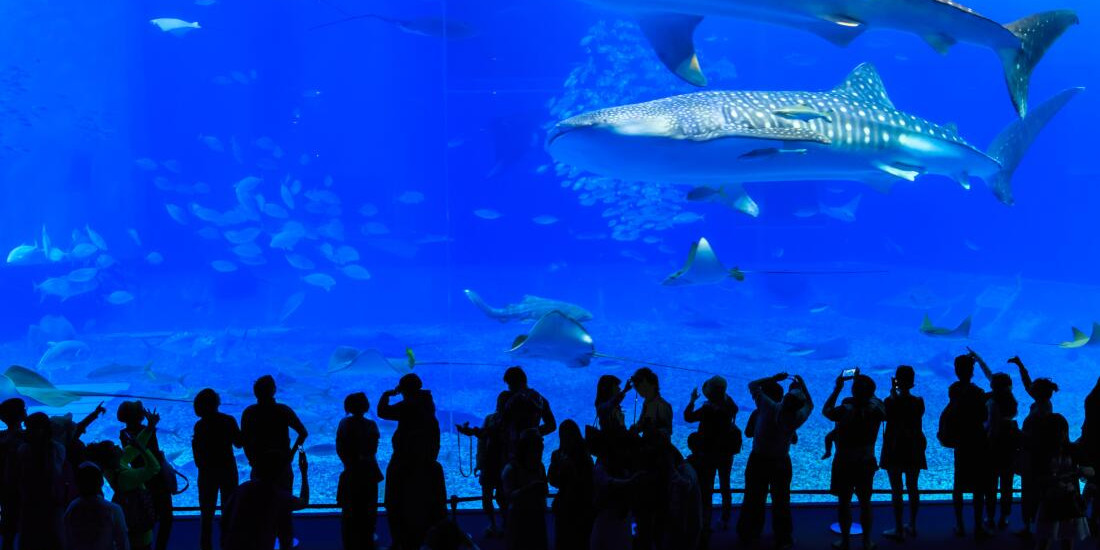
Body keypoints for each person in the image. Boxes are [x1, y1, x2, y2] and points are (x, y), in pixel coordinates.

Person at [737, 372, 813, 550]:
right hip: (781, 462)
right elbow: (811, 404)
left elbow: (753, 384)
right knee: (781, 500)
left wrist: (774, 378)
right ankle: (783, 538)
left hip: (759, 460)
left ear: (784, 399)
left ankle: (749, 534)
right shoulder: (796, 419)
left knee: (753, 498)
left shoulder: (768, 407)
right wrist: (803, 386)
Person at [377, 374, 445, 550]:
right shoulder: (427, 405)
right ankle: (421, 539)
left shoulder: (409, 405)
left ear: (403, 389)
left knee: (396, 502)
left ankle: (400, 541)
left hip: (404, 463)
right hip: (426, 463)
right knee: (421, 503)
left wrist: (387, 394)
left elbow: (382, 412)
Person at [824, 373, 886, 550]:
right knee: (865, 503)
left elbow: (826, 410)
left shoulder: (844, 409)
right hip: (866, 462)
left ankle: (845, 540)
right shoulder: (877, 410)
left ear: (853, 391)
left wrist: (838, 388)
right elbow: (874, 398)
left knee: (844, 503)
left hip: (844, 462)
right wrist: (865, 386)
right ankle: (867, 541)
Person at [87, 409, 162, 550]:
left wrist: (150, 427)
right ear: (111, 456)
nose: (118, 446)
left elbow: (133, 448)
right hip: (140, 535)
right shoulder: (125, 477)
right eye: (114, 447)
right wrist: (143, 450)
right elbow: (154, 468)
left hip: (134, 528)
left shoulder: (114, 466)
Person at [939, 353, 991, 539]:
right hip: (977, 442)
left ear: (956, 370)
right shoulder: (978, 393)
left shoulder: (953, 389)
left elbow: (952, 410)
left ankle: (960, 525)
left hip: (961, 442)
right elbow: (984, 417)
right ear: (972, 370)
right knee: (979, 487)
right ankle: (978, 526)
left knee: (959, 485)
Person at [968, 347, 1021, 531]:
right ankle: (1004, 517)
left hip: (993, 447)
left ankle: (990, 517)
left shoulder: (991, 401)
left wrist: (983, 436)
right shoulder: (1010, 399)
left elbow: (991, 427)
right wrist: (979, 358)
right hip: (1009, 449)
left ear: (993, 386)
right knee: (1007, 484)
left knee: (990, 485)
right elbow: (991, 375)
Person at [220, 450, 310, 550]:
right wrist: (304, 472)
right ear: (277, 473)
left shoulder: (240, 490)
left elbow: (225, 519)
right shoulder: (276, 494)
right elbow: (304, 502)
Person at [683, 375, 739, 531]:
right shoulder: (729, 404)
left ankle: (705, 520)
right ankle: (725, 518)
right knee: (725, 485)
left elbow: (688, 417)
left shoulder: (708, 409)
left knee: (706, 487)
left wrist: (692, 400)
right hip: (726, 453)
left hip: (708, 453)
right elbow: (734, 408)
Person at [117, 401, 173, 550]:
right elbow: (151, 450)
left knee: (156, 518)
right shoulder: (137, 432)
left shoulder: (125, 433)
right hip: (152, 478)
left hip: (144, 479)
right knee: (161, 518)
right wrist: (151, 426)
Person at [880, 365, 927, 541]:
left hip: (894, 448)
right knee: (913, 487)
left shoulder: (889, 401)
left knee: (897, 489)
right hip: (914, 447)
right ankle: (912, 525)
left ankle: (899, 528)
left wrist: (893, 392)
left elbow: (890, 414)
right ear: (912, 381)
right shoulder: (919, 402)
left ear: (897, 380)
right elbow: (910, 414)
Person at [628, 367, 673, 550]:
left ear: (651, 384)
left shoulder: (663, 406)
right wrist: (636, 429)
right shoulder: (647, 403)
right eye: (637, 385)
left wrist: (651, 430)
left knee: (657, 502)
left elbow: (667, 432)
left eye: (641, 384)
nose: (638, 389)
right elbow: (641, 423)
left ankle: (657, 538)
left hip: (657, 459)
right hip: (645, 456)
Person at [192, 388, 242, 550]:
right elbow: (239, 443)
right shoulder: (228, 420)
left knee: (206, 517)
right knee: (228, 514)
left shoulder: (200, 425)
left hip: (207, 474)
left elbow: (198, 453)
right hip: (228, 471)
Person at [1014, 356, 1058, 538]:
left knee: (1032, 492)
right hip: (1037, 457)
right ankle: (1035, 526)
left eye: (1034, 390)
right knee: (1035, 491)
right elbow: (1028, 386)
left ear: (1038, 393)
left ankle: (1032, 526)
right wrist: (1020, 365)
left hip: (1034, 458)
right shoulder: (1043, 404)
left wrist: (1016, 433)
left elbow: (1035, 437)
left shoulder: (1041, 411)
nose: (1030, 390)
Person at [1034, 414, 1093, 550]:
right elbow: (1037, 477)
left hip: (1069, 500)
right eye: (1057, 432)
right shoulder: (1043, 453)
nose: (1062, 435)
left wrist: (1081, 471)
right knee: (1046, 539)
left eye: (1063, 431)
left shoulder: (1073, 449)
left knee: (1067, 538)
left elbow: (1091, 470)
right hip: (1050, 499)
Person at [240, 375, 309, 492]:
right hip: (282, 463)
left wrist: (251, 459)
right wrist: (296, 453)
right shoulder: (283, 410)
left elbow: (245, 440)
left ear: (255, 392)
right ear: (274, 390)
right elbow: (303, 433)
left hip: (259, 464)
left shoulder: (249, 413)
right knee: (284, 501)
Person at [455, 393, 507, 538]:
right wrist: (480, 462)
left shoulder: (509, 421)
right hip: (489, 464)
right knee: (487, 498)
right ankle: (493, 524)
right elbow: (482, 442)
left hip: (503, 465)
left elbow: (485, 435)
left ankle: (505, 523)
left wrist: (472, 431)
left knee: (502, 497)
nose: (500, 404)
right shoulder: (490, 418)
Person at [336, 392, 384, 550]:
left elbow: (340, 449)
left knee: (349, 515)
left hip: (350, 474)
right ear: (366, 406)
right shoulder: (371, 425)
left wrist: (350, 463)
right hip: (369, 474)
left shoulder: (344, 423)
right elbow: (373, 449)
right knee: (369, 514)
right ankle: (368, 543)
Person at [14, 412, 66, 550]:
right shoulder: (26, 449)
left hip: (48, 500)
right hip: (36, 500)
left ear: (42, 429)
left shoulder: (52, 449)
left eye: (31, 428)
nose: (28, 432)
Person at [548, 419, 593, 550]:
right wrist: (560, 468)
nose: (567, 439)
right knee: (564, 541)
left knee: (580, 541)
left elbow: (587, 481)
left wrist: (570, 468)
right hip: (565, 506)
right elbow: (551, 479)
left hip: (581, 506)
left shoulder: (584, 456)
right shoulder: (557, 455)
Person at [62, 461, 129, 550]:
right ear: (101, 482)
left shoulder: (72, 507)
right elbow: (123, 543)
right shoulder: (113, 510)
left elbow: (67, 540)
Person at [501, 428, 548, 550]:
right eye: (537, 446)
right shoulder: (511, 468)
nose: (540, 449)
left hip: (536, 516)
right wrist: (529, 489)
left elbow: (544, 490)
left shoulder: (540, 466)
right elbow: (508, 496)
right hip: (518, 518)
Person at [499, 367, 556, 461]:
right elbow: (552, 425)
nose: (509, 388)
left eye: (510, 384)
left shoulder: (512, 400)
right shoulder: (541, 399)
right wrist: (534, 432)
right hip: (535, 448)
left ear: (515, 383)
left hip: (514, 449)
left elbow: (502, 423)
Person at [0, 398, 26, 550]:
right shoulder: (27, 437)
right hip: (21, 488)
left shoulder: (3, 437)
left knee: (9, 527)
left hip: (6, 488)